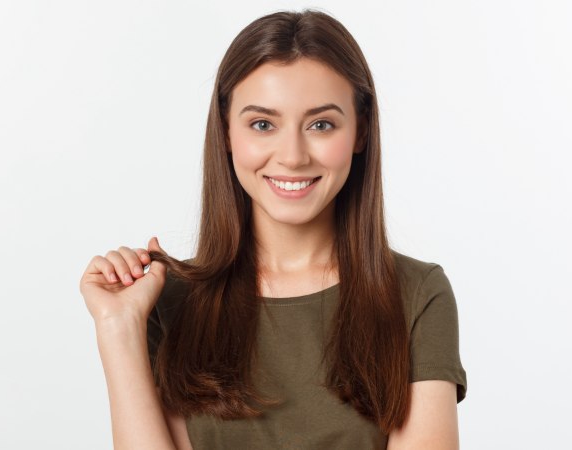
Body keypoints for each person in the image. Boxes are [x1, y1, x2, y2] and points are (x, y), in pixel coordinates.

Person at [79, 8, 467, 450]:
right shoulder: (168, 303)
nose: (293, 155)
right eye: (263, 124)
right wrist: (119, 329)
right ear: (226, 132)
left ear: (360, 131)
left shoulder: (416, 294)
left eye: (321, 124)